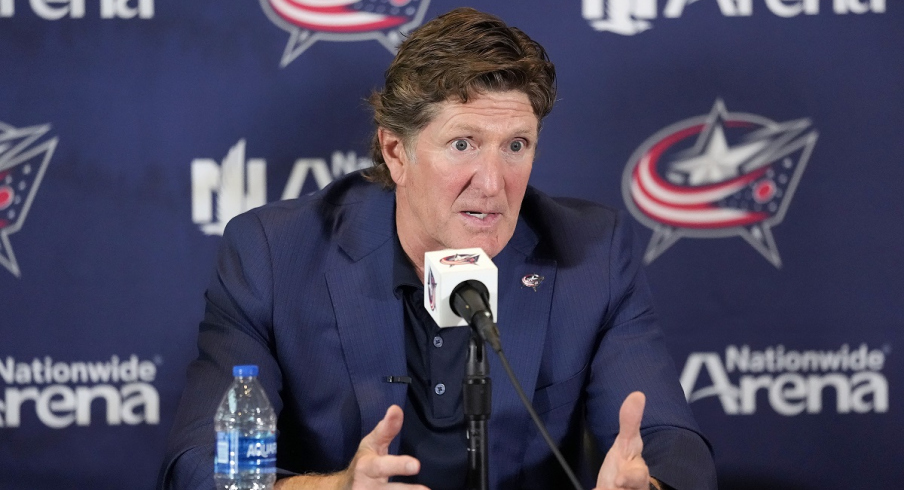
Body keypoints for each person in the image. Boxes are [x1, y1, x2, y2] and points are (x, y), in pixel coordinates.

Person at [159, 7, 716, 490]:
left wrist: (651, 484)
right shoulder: (274, 256)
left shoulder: (591, 253)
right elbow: (199, 468)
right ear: (397, 153)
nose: (493, 183)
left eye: (516, 146)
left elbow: (671, 443)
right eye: (462, 144)